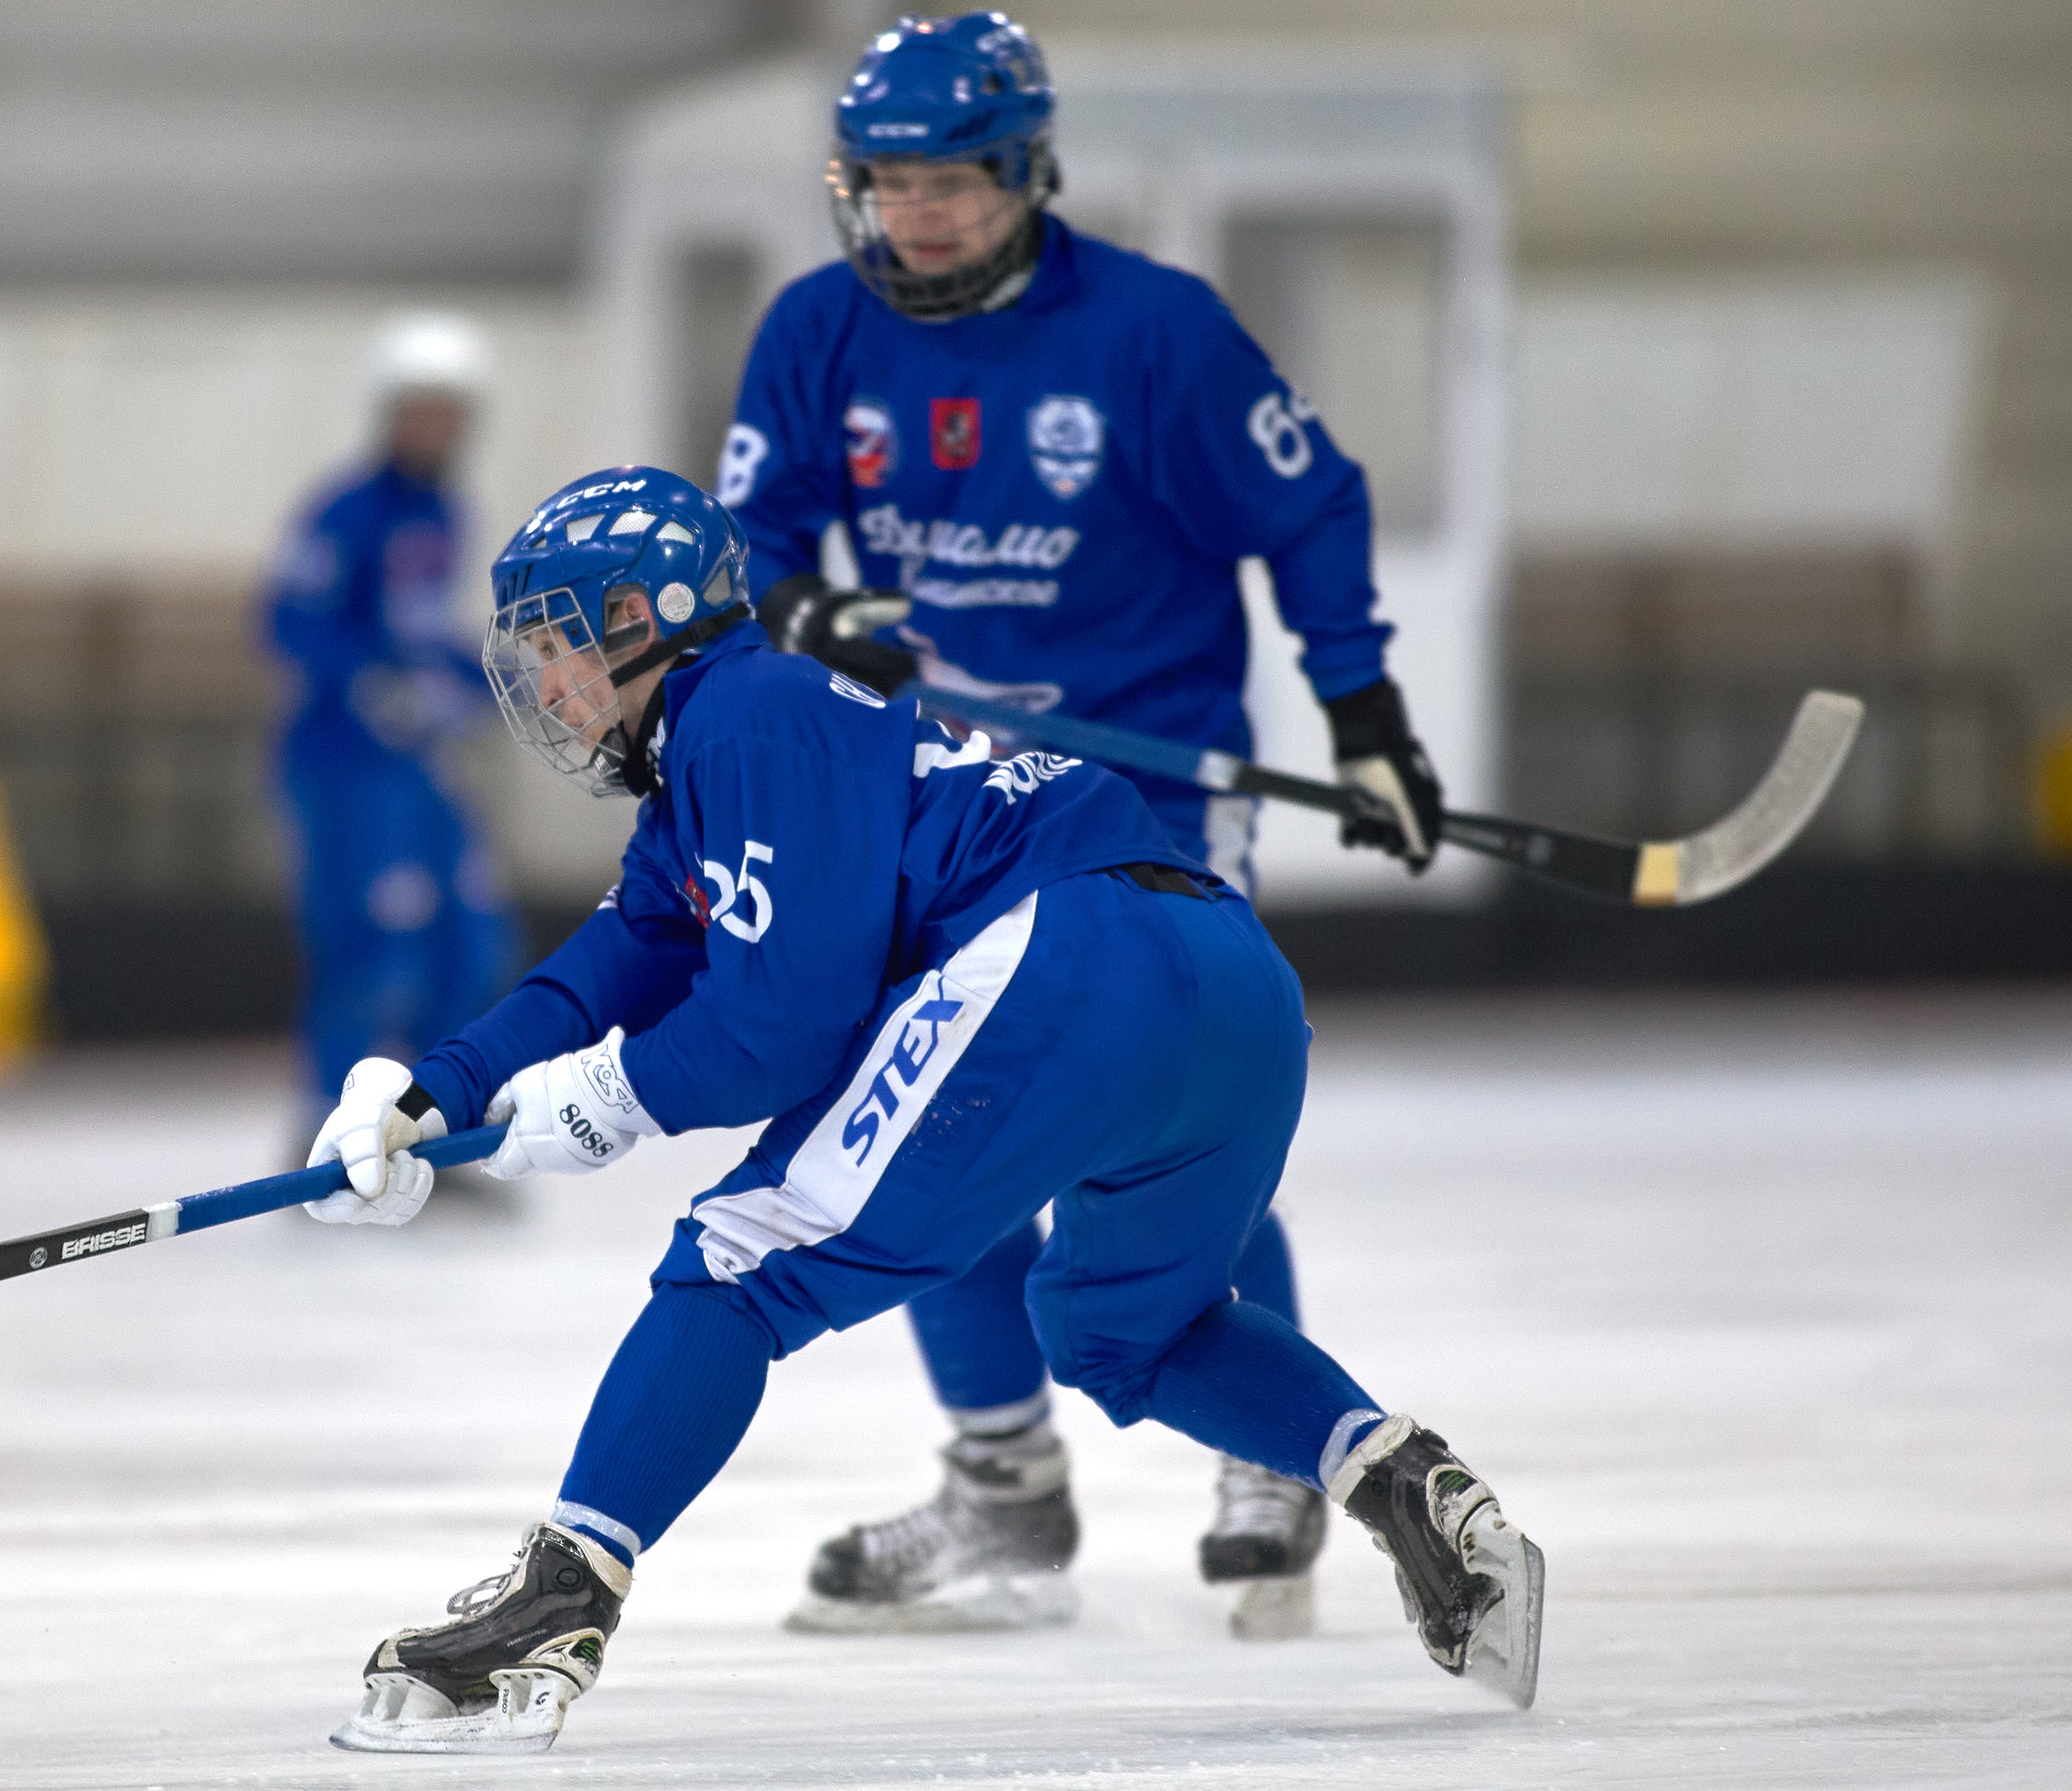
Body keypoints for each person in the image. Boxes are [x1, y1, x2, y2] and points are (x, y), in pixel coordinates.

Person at [304, 465, 1542, 1755]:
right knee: (1133, 1332)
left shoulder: (748, 715)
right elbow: (623, 954)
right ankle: (1404, 1479)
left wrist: (609, 1096)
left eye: (561, 648)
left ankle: (559, 1601)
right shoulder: (731, 751)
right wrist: (431, 1088)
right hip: (1227, 983)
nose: (546, 690)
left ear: (643, 619)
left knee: (734, 1267)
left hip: (1065, 959)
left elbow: (778, 1034)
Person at [714, 11, 1449, 1638]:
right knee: (910, 1125)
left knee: (1177, 1123)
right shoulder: (816, 332)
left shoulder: (1156, 335)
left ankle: (1266, 1458)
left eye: (957, 182)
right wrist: (805, 609)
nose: (921, 214)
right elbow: (747, 547)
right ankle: (1005, 1490)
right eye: (888, 182)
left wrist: (1367, 712)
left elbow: (1310, 503)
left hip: (1152, 799)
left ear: (1030, 171)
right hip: (944, 810)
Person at [263, 313, 513, 1157]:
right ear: (388, 412)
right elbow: (288, 622)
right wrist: (372, 684)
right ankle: (332, 1133)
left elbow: (424, 635)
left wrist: (500, 685)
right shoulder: (344, 511)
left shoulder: (443, 513)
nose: (434, 428)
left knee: (469, 942)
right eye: (418, 409)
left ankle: (439, 1130)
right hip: (345, 769)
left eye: (449, 411)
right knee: (370, 950)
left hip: (418, 770)